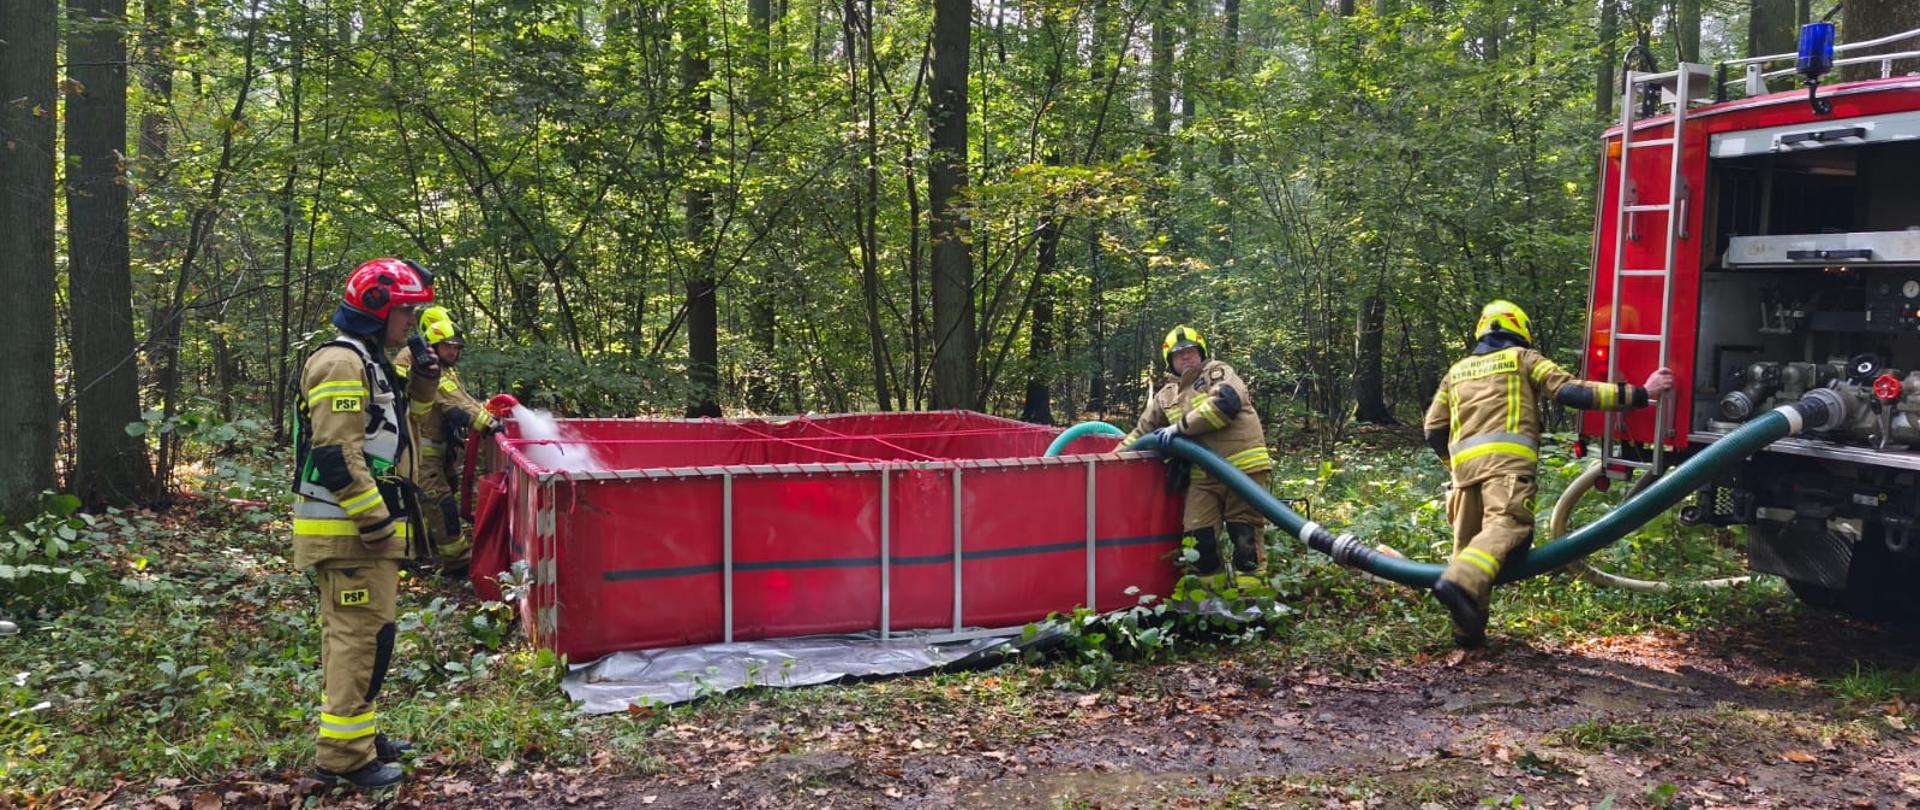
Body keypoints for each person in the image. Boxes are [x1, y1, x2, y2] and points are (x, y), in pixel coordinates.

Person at [1422, 300, 1673, 648]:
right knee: (1506, 527)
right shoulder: (1522, 359)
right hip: (1507, 470)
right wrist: (1640, 394)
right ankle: (1460, 581)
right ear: (1520, 329)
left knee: (1470, 546)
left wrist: (1455, 467)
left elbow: (1433, 430)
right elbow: (1571, 392)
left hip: (1464, 477)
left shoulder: (1457, 371)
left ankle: (1468, 636)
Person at [291, 258, 440, 788]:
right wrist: (376, 523)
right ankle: (344, 759)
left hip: (362, 532)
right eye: (406, 313)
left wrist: (424, 378)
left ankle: (357, 733)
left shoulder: (371, 361)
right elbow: (336, 454)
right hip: (350, 533)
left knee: (364, 637)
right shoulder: (339, 363)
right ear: (377, 310)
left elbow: (401, 428)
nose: (412, 325)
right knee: (358, 640)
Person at [1119, 325, 1274, 579]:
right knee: (1198, 539)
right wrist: (1112, 459)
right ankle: (1210, 605)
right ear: (1170, 361)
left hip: (1243, 469)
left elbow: (1225, 405)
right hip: (1203, 478)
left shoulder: (1218, 373)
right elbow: (1141, 432)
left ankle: (1252, 603)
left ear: (1201, 352)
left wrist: (1179, 429)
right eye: (1179, 354)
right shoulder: (1166, 396)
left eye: (1190, 351)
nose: (1186, 356)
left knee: (1244, 536)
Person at [394, 306, 497, 576]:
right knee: (441, 504)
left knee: (437, 502)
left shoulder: (444, 366)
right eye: (447, 346)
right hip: (419, 448)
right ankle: (458, 564)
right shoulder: (417, 359)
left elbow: (463, 399)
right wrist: (487, 424)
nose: (452, 351)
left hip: (439, 451)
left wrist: (490, 416)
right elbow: (450, 401)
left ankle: (425, 553)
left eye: (455, 346)